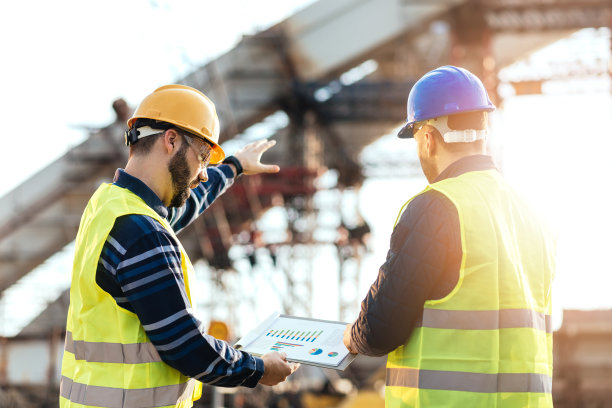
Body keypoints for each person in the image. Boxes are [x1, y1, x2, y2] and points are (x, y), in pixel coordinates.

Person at [60, 84, 298, 408]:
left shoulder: (109, 204)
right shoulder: (143, 234)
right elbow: (186, 346)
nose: (203, 173)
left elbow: (184, 205)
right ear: (171, 140)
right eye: (202, 156)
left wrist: (233, 167)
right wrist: (259, 369)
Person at [343, 66, 556, 407]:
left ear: (428, 138)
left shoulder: (437, 207)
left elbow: (380, 329)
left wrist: (351, 337)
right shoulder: (533, 213)